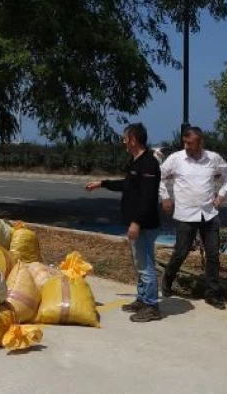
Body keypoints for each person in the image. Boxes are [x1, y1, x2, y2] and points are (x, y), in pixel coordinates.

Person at [86, 123, 161, 322]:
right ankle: (143, 299)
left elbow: (148, 197)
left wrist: (136, 223)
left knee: (145, 266)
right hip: (138, 222)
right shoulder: (136, 162)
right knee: (141, 263)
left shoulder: (149, 164)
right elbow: (127, 185)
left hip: (144, 224)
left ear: (133, 139)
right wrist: (102, 184)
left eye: (125, 138)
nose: (124, 142)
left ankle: (152, 306)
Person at [159, 127, 227, 310]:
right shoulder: (176, 159)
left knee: (213, 255)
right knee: (181, 252)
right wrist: (165, 197)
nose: (186, 146)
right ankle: (167, 281)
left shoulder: (213, 159)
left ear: (200, 142)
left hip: (209, 213)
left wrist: (222, 195)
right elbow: (158, 177)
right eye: (184, 142)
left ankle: (212, 293)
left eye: (190, 143)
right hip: (185, 214)